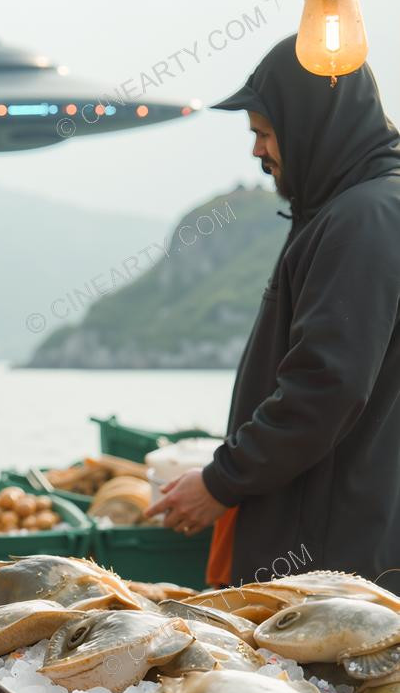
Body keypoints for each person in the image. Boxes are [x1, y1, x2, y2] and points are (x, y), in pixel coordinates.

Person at [147, 35, 400, 584]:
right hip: (339, 540)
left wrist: (222, 481)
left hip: (333, 558)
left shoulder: (364, 218)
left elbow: (325, 387)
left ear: (313, 127)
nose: (257, 150)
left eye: (264, 132)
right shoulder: (346, 210)